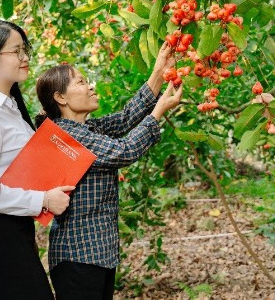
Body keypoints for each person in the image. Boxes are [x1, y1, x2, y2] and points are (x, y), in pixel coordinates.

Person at [35, 43, 183, 300]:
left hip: (98, 253)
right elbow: (124, 151)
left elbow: (126, 118)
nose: (91, 86)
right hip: (78, 257)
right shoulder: (67, 136)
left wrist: (159, 71)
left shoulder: (86, 129)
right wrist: (159, 111)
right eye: (81, 82)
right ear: (61, 97)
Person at [0, 20, 76, 299]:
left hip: (16, 229)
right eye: (16, 51)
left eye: (24, 49)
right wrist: (44, 201)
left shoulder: (9, 106)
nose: (25, 57)